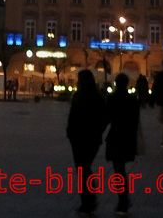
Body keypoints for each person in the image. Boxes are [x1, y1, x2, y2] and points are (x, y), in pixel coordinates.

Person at [66, 69, 107, 216]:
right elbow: (105, 118)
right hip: (92, 139)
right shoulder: (99, 97)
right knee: (85, 167)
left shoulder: (79, 96)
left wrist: (69, 132)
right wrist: (98, 131)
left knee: (82, 169)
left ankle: (88, 201)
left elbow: (72, 117)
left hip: (78, 138)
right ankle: (89, 198)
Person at [105, 72, 139, 217]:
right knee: (121, 170)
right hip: (128, 138)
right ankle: (124, 200)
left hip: (115, 137)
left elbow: (106, 118)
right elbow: (136, 121)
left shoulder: (111, 98)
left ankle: (123, 201)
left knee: (118, 170)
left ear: (116, 83)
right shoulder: (132, 99)